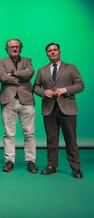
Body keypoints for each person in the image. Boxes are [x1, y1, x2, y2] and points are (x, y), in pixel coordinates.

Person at [33, 43, 84, 179]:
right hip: (49, 109)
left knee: (71, 140)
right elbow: (36, 87)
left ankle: (76, 168)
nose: (53, 52)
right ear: (47, 54)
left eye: (55, 50)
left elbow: (80, 85)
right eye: (50, 51)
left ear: (59, 52)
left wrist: (65, 90)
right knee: (51, 140)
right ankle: (51, 166)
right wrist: (44, 92)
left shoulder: (71, 68)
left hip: (67, 109)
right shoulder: (42, 70)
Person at [0, 38, 38, 174]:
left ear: (20, 48)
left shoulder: (27, 60)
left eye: (16, 46)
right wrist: (21, 77)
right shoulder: (1, 61)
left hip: (26, 100)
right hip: (8, 101)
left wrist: (13, 73)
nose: (14, 49)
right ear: (7, 49)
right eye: (11, 47)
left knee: (30, 133)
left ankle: (31, 161)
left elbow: (30, 73)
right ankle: (9, 161)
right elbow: (2, 77)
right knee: (8, 134)